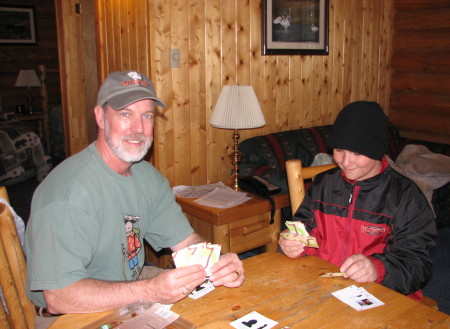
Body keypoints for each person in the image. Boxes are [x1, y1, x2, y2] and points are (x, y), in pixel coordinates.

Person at [25, 71, 245, 324]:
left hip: (127, 295)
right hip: (67, 317)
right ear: (100, 117)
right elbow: (60, 296)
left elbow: (186, 242)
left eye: (147, 115)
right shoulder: (67, 193)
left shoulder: (146, 176)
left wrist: (218, 264)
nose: (138, 128)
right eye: (125, 114)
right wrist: (150, 290)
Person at [279, 101, 436, 300]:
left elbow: (418, 265)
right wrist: (291, 242)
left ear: (376, 150)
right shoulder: (324, 184)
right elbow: (305, 229)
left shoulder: (405, 197)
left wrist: (378, 269)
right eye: (339, 150)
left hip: (382, 293)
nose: (345, 161)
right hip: (325, 285)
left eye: (357, 153)